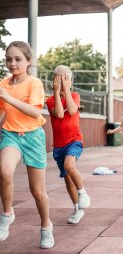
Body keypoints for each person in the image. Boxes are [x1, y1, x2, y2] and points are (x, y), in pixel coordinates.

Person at [0, 41, 54, 248]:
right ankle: (7, 213)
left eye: (17, 59)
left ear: (28, 61)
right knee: (4, 172)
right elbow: (1, 115)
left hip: (33, 137)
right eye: (8, 59)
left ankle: (45, 226)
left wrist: (9, 98)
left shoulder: (34, 83)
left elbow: (35, 112)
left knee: (38, 192)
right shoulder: (2, 85)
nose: (12, 63)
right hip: (11, 135)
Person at [45, 65, 90, 224]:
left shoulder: (75, 96)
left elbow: (71, 110)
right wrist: (57, 92)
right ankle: (77, 208)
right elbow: (58, 113)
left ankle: (83, 192)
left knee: (70, 166)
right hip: (59, 145)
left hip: (74, 141)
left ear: (70, 82)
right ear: (54, 81)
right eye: (59, 79)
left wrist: (67, 90)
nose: (63, 82)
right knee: (67, 179)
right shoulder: (50, 99)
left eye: (66, 79)